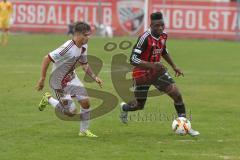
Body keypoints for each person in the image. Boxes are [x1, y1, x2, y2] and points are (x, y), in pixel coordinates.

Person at [119, 12, 200, 136]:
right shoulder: (144, 38)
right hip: (142, 74)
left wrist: (174, 66)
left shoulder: (163, 36)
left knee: (177, 95)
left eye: (162, 25)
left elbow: (164, 51)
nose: (160, 28)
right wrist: (152, 65)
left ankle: (186, 126)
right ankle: (125, 108)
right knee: (139, 106)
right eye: (157, 26)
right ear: (151, 25)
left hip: (158, 72)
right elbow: (133, 59)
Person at [36, 22, 103, 137]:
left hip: (71, 78)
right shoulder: (67, 48)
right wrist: (42, 79)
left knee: (86, 103)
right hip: (58, 82)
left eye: (89, 35)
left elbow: (84, 64)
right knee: (71, 112)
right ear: (78, 35)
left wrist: (94, 77)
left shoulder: (83, 46)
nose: (89, 37)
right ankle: (48, 99)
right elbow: (46, 58)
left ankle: (83, 131)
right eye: (86, 35)